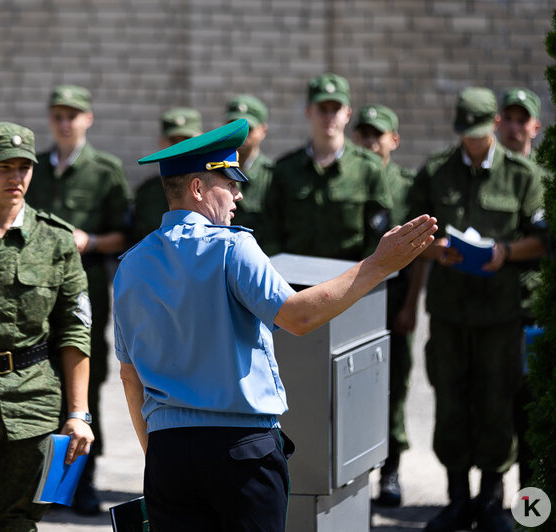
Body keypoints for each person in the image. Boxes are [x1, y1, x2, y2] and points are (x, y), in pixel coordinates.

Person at [113, 118, 438, 532]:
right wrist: (377, 266)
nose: (238, 194)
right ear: (197, 189)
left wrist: (159, 453)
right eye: (229, 182)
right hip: (240, 454)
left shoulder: (131, 265)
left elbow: (129, 376)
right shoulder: (232, 247)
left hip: (167, 453)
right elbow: (299, 316)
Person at [409, 87, 546, 532]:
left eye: (479, 133)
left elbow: (542, 240)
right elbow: (411, 237)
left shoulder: (522, 176)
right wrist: (436, 250)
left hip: (499, 318)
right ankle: (457, 500)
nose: (472, 142)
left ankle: (491, 501)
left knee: (495, 406)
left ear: (493, 127)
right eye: (464, 134)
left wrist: (505, 251)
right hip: (449, 315)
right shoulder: (435, 172)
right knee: (451, 403)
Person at [26, 84, 131, 515]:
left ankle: (82, 482)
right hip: (33, 299)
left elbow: (124, 236)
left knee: (82, 395)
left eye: (73, 115)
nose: (65, 123)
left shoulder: (104, 171)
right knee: (38, 390)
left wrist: (90, 240)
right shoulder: (34, 169)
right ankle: (46, 487)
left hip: (84, 297)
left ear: (88, 119)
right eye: (58, 115)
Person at [0, 121, 93, 531]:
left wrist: (78, 414)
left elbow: (75, 329)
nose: (17, 177)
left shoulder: (56, 241)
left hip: (30, 405)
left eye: (25, 167)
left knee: (16, 522)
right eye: (4, 167)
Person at [353, 104, 425, 507]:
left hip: (392, 304)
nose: (369, 142)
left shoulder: (408, 187)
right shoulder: (353, 178)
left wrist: (412, 304)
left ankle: (392, 470)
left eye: (377, 135)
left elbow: (418, 254)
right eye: (363, 134)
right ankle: (355, 471)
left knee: (393, 388)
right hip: (353, 303)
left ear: (394, 140)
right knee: (352, 387)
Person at [264, 73, 392, 259]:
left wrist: (363, 275)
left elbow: (380, 234)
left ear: (347, 113)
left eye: (335, 109)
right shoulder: (285, 169)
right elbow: (270, 229)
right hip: (294, 279)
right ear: (308, 111)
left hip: (351, 278)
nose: (329, 116)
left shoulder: (368, 168)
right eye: (322, 109)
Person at [498, 87, 548, 490]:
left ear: (536, 126)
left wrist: (504, 250)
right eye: (508, 119)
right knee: (498, 410)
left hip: (533, 313)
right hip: (494, 313)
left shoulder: (545, 180)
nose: (515, 128)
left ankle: (531, 502)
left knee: (532, 410)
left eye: (522, 120)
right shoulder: (491, 175)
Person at [131, 107, 202, 244]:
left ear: (200, 139)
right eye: (174, 140)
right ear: (162, 142)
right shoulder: (147, 193)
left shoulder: (215, 187)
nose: (180, 147)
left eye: (186, 140)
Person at [224, 94, 273, 247]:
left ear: (263, 131)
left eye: (247, 129)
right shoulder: (213, 172)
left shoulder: (273, 176)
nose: (240, 135)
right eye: (234, 127)